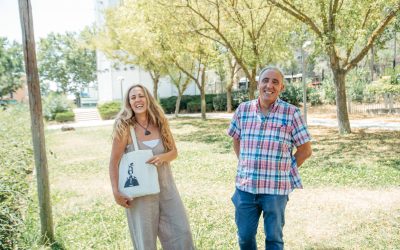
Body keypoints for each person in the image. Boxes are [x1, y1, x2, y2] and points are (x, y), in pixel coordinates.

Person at [227, 67, 312, 250]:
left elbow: (305, 150)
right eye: (265, 80)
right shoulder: (243, 110)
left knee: (274, 240)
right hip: (245, 188)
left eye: (275, 82)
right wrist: (245, 164)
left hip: (275, 190)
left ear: (282, 87)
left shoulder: (291, 113)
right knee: (244, 237)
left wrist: (285, 169)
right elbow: (236, 139)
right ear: (258, 84)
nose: (269, 85)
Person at [109, 84, 194, 250]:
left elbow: (174, 152)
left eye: (141, 95)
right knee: (145, 243)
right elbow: (114, 162)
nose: (137, 100)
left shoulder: (160, 122)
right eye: (133, 97)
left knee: (181, 233)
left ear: (148, 99)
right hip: (140, 194)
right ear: (129, 103)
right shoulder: (124, 127)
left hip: (167, 189)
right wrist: (116, 192)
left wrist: (162, 157)